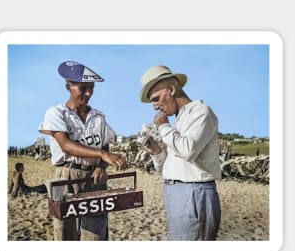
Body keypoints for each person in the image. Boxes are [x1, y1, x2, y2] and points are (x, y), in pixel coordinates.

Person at [39, 60, 127, 241]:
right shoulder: (56, 113)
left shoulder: (98, 117)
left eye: (91, 88)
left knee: (95, 235)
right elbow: (66, 145)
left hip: (94, 178)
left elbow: (105, 147)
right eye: (83, 88)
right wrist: (102, 154)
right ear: (69, 86)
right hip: (67, 176)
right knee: (65, 234)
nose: (88, 93)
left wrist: (101, 166)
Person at [139, 65, 221, 240]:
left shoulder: (200, 112)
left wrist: (163, 125)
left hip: (193, 191)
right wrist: (155, 151)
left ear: (171, 89)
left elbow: (187, 150)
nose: (155, 106)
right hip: (178, 192)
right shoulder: (180, 118)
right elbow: (171, 165)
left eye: (156, 98)